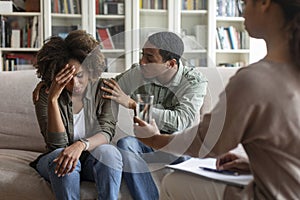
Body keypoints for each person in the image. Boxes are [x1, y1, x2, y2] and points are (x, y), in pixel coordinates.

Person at [133, 0, 300, 199]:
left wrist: (154, 139)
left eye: (243, 3)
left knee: (172, 183)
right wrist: (252, 164)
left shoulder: (254, 80)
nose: (243, 12)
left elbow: (207, 141)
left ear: (264, 3)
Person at [101, 31, 208, 200]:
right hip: (147, 142)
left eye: (150, 58)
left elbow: (181, 121)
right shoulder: (138, 73)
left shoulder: (194, 82)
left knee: (190, 155)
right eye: (142, 55)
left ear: (171, 64)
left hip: (176, 143)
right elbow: (107, 88)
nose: (142, 62)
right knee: (126, 144)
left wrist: (133, 104)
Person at [30, 30, 123, 200]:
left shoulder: (105, 90)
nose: (75, 84)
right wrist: (53, 99)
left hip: (90, 159)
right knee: (62, 157)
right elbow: (57, 144)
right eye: (68, 78)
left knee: (109, 153)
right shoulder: (45, 94)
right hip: (54, 159)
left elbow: (106, 132)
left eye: (80, 75)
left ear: (90, 70)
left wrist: (80, 145)